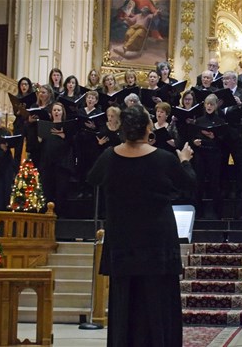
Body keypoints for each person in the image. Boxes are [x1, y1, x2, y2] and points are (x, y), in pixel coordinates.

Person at [87, 105, 195, 347]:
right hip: (157, 241)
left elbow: (92, 179)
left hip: (123, 240)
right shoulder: (164, 158)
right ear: (148, 129)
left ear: (123, 130)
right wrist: (185, 161)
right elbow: (189, 184)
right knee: (158, 302)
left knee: (125, 302)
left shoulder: (109, 157)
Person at [191, 94, 226, 219]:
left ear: (216, 106)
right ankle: (198, 213)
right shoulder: (199, 120)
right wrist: (194, 142)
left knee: (214, 184)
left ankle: (218, 213)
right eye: (207, 104)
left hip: (214, 154)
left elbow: (224, 141)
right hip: (201, 154)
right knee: (198, 183)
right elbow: (193, 137)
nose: (209, 106)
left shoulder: (220, 121)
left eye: (212, 104)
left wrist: (214, 137)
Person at [38, 102, 74, 217]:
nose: (56, 112)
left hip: (62, 164)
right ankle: (48, 215)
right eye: (54, 110)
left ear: (62, 112)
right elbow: (39, 147)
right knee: (47, 190)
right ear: (51, 113)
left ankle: (60, 216)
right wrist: (39, 140)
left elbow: (74, 145)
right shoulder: (46, 126)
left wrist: (64, 136)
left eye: (59, 110)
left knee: (61, 191)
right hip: (48, 163)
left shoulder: (67, 127)